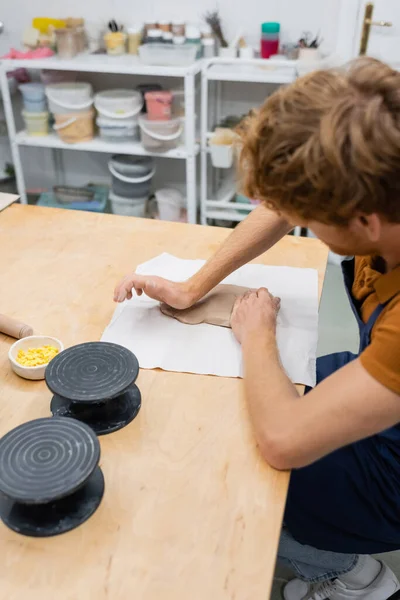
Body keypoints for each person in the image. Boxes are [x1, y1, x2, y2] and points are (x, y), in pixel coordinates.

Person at [114, 58, 400, 600]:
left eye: (309, 220)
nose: (296, 220)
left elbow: (284, 441)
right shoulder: (382, 169)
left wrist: (258, 334)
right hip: (384, 394)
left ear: (364, 221)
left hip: (393, 480)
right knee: (242, 404)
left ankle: (355, 579)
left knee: (221, 473)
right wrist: (194, 286)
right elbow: (281, 202)